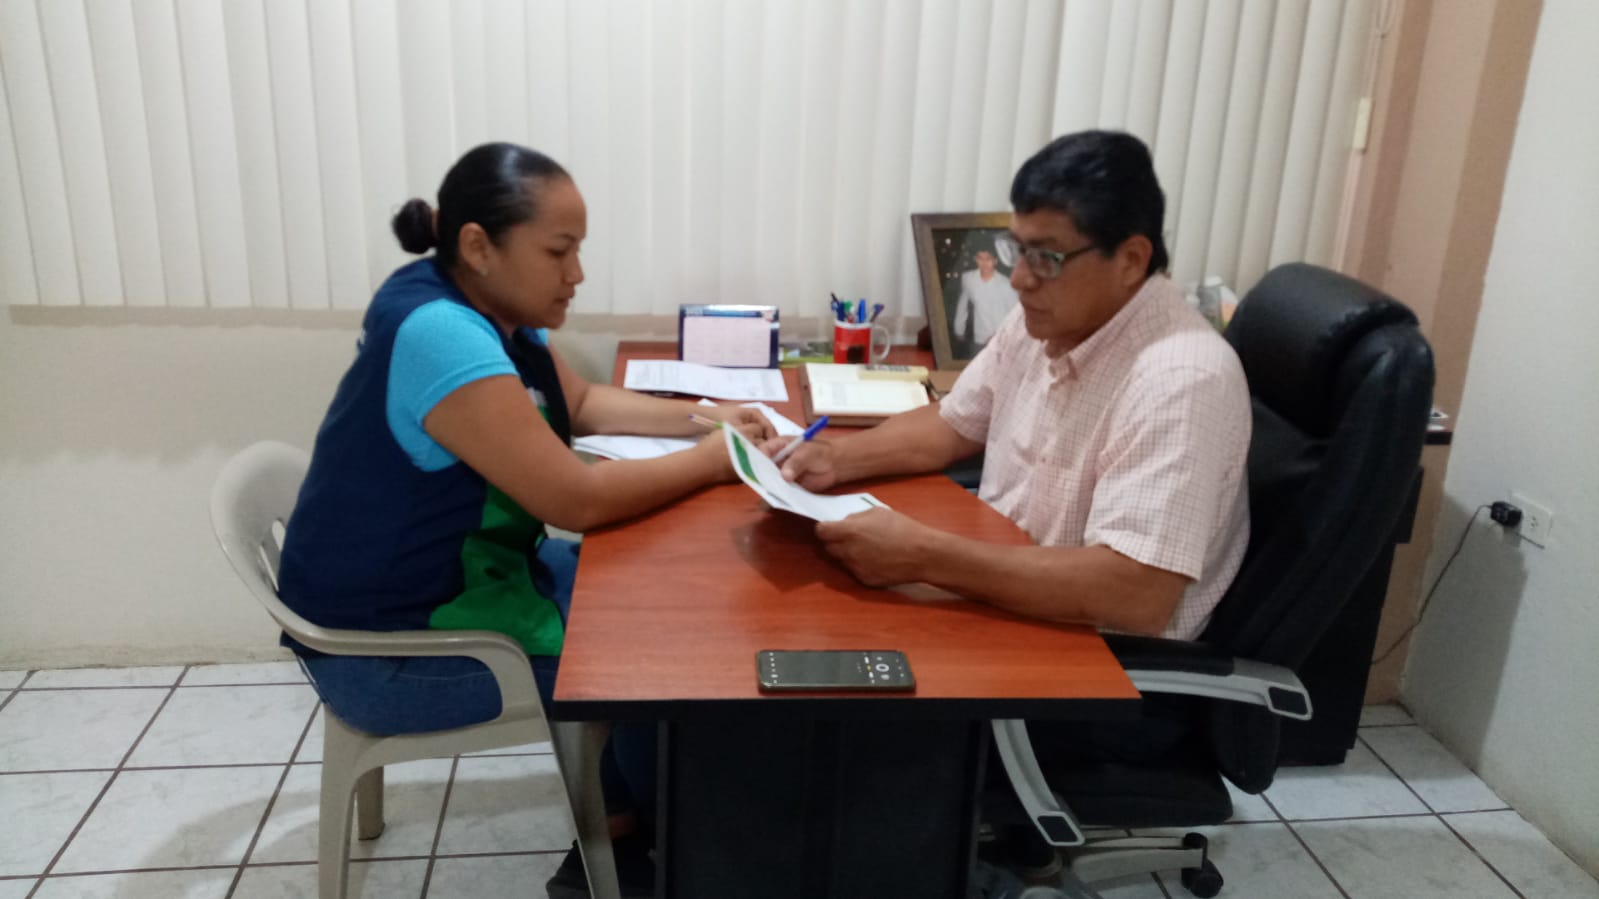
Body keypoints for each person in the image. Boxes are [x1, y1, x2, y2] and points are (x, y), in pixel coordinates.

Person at [277, 142, 772, 899]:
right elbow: (576, 502)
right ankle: (637, 850)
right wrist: (716, 460)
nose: (577, 273)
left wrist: (709, 418)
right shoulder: (440, 333)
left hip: (464, 586)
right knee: (665, 655)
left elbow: (581, 403)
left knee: (658, 596)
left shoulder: (489, 307)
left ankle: (620, 809)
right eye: (558, 251)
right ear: (479, 246)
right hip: (392, 651)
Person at [766, 128, 1250, 650]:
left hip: (1095, 654)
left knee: (830, 649)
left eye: (1046, 257)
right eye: (1018, 250)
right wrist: (835, 459)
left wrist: (925, 556)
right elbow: (954, 423)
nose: (1018, 279)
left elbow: (1136, 594)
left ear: (1131, 259)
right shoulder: (1049, 316)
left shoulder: (1182, 380)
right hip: (1008, 587)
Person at [950, 243, 1021, 350]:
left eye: (988, 259)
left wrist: (999, 336)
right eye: (980, 258)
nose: (984, 263)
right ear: (976, 259)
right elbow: (962, 305)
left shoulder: (1007, 284)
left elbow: (1015, 316)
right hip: (979, 339)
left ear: (995, 261)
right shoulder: (968, 279)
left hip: (1002, 340)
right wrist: (959, 329)